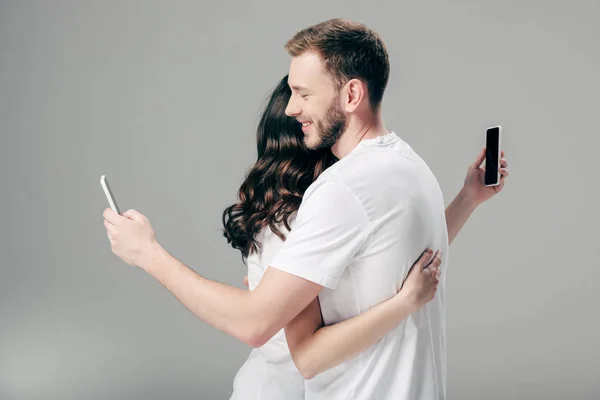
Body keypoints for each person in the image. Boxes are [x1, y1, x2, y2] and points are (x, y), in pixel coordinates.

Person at [102, 18, 508, 399]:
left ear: (351, 95)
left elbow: (256, 325)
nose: (292, 108)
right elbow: (401, 259)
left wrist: (149, 255)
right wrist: (467, 199)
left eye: (304, 94)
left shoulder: (341, 190)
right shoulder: (413, 169)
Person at [224, 76, 506, 399]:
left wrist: (468, 199)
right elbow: (306, 356)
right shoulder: (296, 223)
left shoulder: (327, 210)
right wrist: (404, 303)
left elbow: (406, 261)